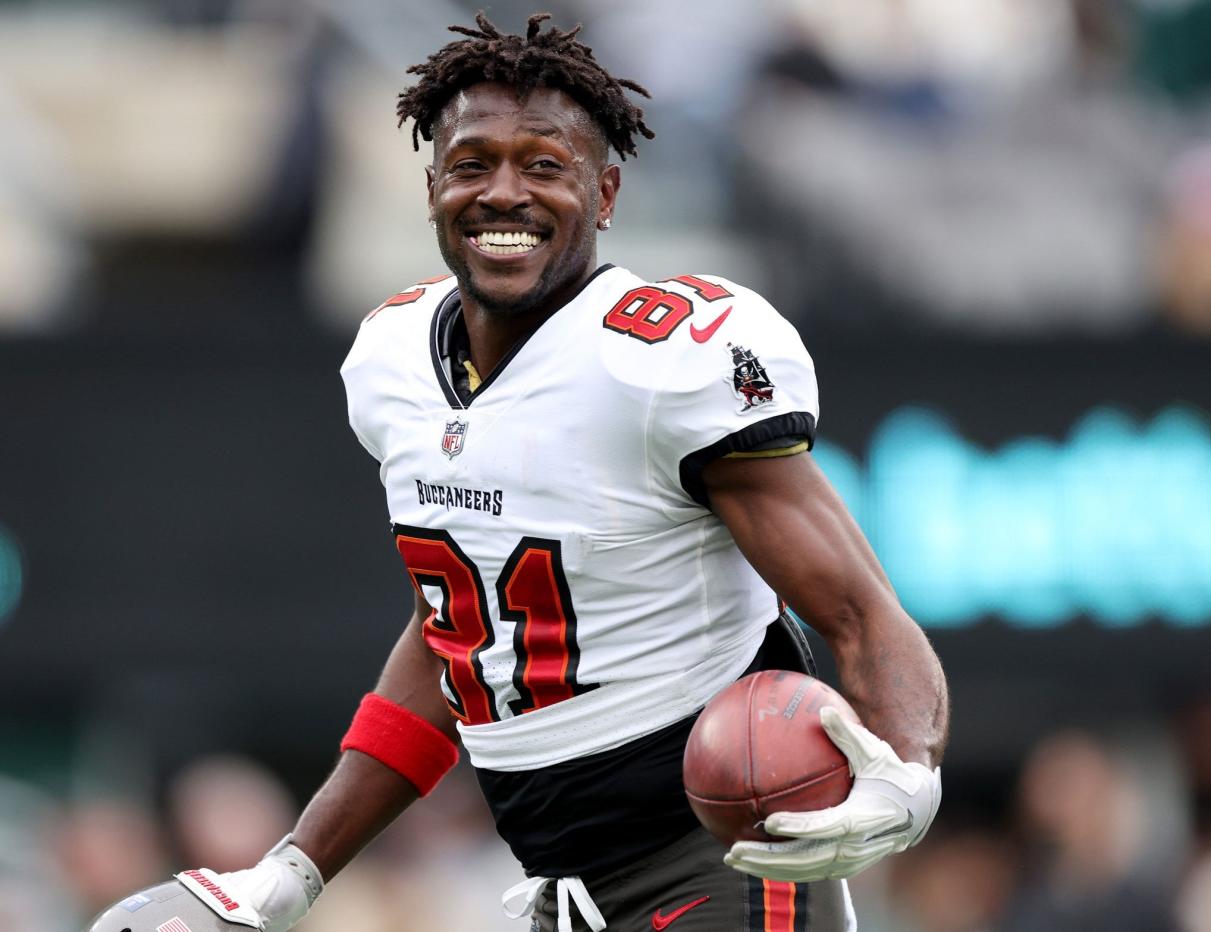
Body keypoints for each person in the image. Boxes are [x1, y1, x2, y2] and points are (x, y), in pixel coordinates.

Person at [90, 13, 948, 932]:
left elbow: (859, 608)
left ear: (606, 191)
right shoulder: (391, 360)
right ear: (430, 189)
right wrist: (294, 869)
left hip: (716, 860)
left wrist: (909, 768)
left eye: (544, 164)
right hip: (559, 890)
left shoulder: (660, 363)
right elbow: (459, 635)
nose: (504, 193)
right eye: (472, 164)